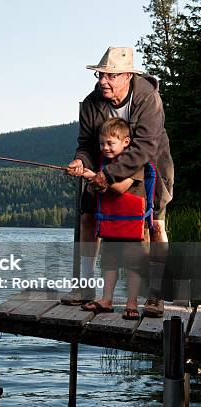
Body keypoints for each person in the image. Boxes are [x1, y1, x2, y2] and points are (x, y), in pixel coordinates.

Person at [62, 46, 174, 318]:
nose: (103, 81)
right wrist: (81, 162)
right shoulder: (91, 103)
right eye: (101, 75)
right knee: (88, 217)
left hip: (151, 167)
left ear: (127, 76)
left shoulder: (148, 97)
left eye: (110, 76)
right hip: (103, 169)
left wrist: (108, 175)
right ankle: (86, 287)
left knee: (154, 225)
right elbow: (87, 144)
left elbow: (146, 146)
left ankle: (155, 296)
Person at [79, 118, 149, 319]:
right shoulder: (104, 164)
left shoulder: (134, 164)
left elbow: (119, 189)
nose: (105, 148)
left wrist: (95, 177)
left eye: (110, 143)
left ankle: (132, 303)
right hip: (110, 226)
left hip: (130, 228)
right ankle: (106, 299)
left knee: (132, 267)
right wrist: (92, 180)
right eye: (102, 144)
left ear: (126, 142)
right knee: (108, 264)